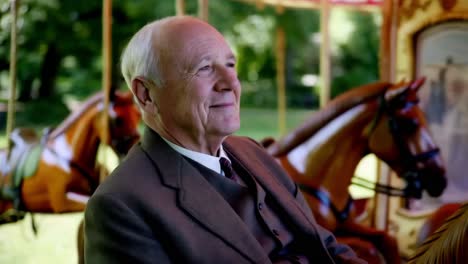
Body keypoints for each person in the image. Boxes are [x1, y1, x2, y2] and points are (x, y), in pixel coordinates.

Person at [84, 16, 364, 264]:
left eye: (230, 64)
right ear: (146, 94)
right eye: (204, 68)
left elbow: (323, 246)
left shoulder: (253, 152)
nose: (231, 82)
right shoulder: (121, 205)